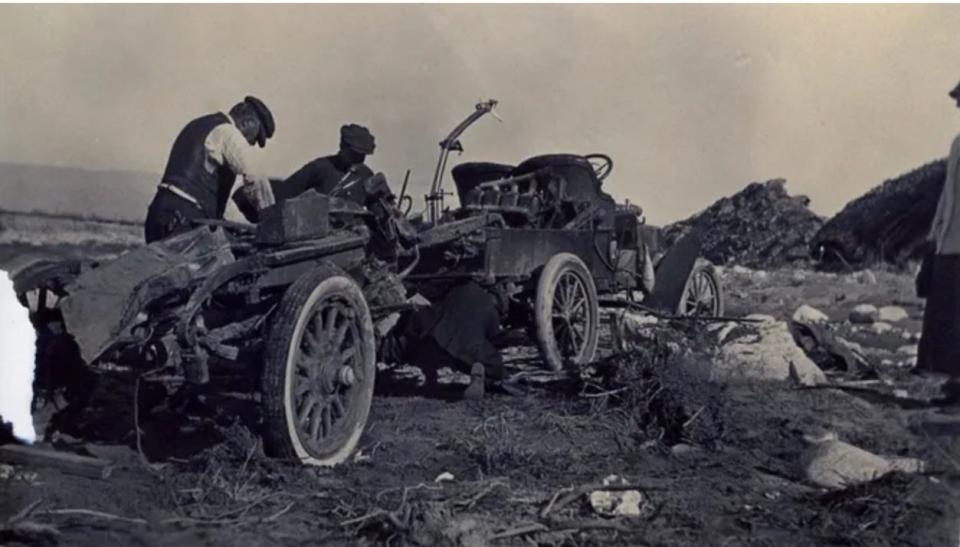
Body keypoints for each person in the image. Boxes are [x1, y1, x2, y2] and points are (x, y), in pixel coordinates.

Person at [145, 96, 276, 243]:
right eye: (255, 137)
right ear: (247, 122)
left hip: (158, 214)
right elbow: (256, 176)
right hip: (185, 219)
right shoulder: (227, 132)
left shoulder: (201, 125)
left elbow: (221, 205)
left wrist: (245, 226)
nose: (251, 144)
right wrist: (272, 220)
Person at [917, 79, 960, 405]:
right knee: (945, 315)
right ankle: (953, 382)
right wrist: (934, 238)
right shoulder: (957, 144)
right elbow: (947, 198)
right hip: (949, 246)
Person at [272, 123, 376, 206]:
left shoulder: (366, 176)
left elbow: (378, 213)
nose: (357, 160)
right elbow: (285, 192)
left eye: (362, 156)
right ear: (342, 146)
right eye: (353, 154)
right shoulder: (320, 167)